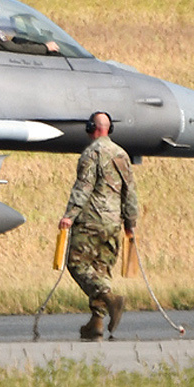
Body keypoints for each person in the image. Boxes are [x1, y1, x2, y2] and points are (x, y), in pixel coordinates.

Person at [58, 112, 139, 339]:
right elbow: (130, 192)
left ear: (91, 127)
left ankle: (110, 298)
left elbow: (84, 186)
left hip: (90, 222)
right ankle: (96, 322)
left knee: (77, 264)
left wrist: (70, 215)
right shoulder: (122, 154)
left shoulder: (91, 153)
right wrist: (130, 223)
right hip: (113, 223)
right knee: (101, 270)